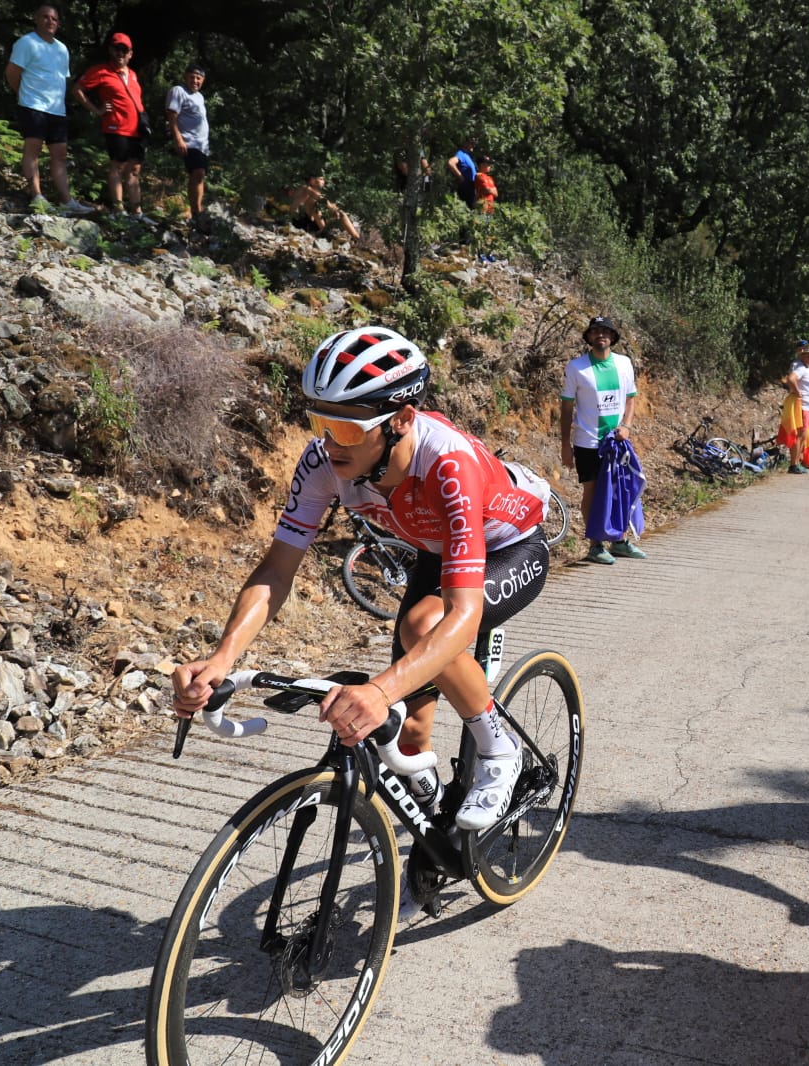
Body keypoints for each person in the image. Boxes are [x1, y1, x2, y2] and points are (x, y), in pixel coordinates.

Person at [171, 326, 552, 832]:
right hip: (437, 553)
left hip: (511, 545)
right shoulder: (323, 462)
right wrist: (222, 659)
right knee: (410, 733)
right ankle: (432, 850)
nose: (330, 444)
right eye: (320, 423)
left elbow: (463, 614)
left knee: (422, 628)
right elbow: (276, 570)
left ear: (402, 420)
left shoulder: (446, 463)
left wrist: (378, 690)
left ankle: (497, 747)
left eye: (348, 429)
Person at [561, 316, 645, 564]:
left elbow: (630, 399)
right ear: (588, 337)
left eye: (605, 331)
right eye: (595, 331)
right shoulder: (576, 368)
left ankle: (619, 540)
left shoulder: (624, 364)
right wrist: (565, 445)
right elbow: (566, 408)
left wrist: (626, 426)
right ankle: (596, 544)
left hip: (618, 441)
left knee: (621, 490)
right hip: (588, 441)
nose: (601, 335)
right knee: (593, 490)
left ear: (613, 337)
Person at [5, 4, 91, 215]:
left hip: (57, 109)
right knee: (33, 149)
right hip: (33, 105)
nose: (49, 21)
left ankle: (66, 200)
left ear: (58, 23)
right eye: (44, 17)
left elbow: (60, 78)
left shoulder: (62, 49)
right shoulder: (26, 43)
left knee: (60, 154)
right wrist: (22, 93)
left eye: (53, 18)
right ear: (36, 19)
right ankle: (37, 196)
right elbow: (12, 72)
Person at [73, 32, 149, 219]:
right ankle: (119, 209)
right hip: (116, 126)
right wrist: (97, 110)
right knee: (118, 165)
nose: (120, 53)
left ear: (130, 53)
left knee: (134, 169)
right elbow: (77, 90)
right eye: (117, 49)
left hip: (136, 128)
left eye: (125, 50)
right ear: (111, 50)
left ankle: (137, 212)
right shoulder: (101, 71)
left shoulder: (132, 75)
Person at [165, 64, 210, 232]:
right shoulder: (178, 91)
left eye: (199, 78)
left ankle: (196, 211)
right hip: (188, 141)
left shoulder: (199, 96)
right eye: (192, 76)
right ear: (186, 76)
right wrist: (178, 139)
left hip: (202, 144)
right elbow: (172, 115)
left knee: (200, 176)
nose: (195, 80)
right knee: (197, 172)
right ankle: (196, 211)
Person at [282, 175, 361, 239]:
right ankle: (324, 232)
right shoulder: (305, 189)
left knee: (342, 214)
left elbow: (327, 203)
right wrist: (331, 208)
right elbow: (319, 199)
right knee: (315, 203)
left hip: (313, 222)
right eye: (321, 179)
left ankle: (356, 237)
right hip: (301, 223)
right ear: (312, 180)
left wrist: (336, 211)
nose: (323, 181)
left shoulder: (317, 193)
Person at [781, 341, 809, 472]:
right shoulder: (801, 368)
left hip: (807, 406)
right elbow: (791, 379)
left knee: (803, 436)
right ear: (802, 356)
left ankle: (797, 462)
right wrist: (798, 394)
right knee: (799, 435)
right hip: (801, 406)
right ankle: (794, 464)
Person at [447, 137, 478, 208]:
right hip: (466, 187)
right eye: (471, 143)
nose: (473, 145)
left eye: (474, 144)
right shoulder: (461, 154)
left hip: (472, 187)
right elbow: (451, 162)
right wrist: (461, 177)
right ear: (465, 143)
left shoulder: (467, 156)